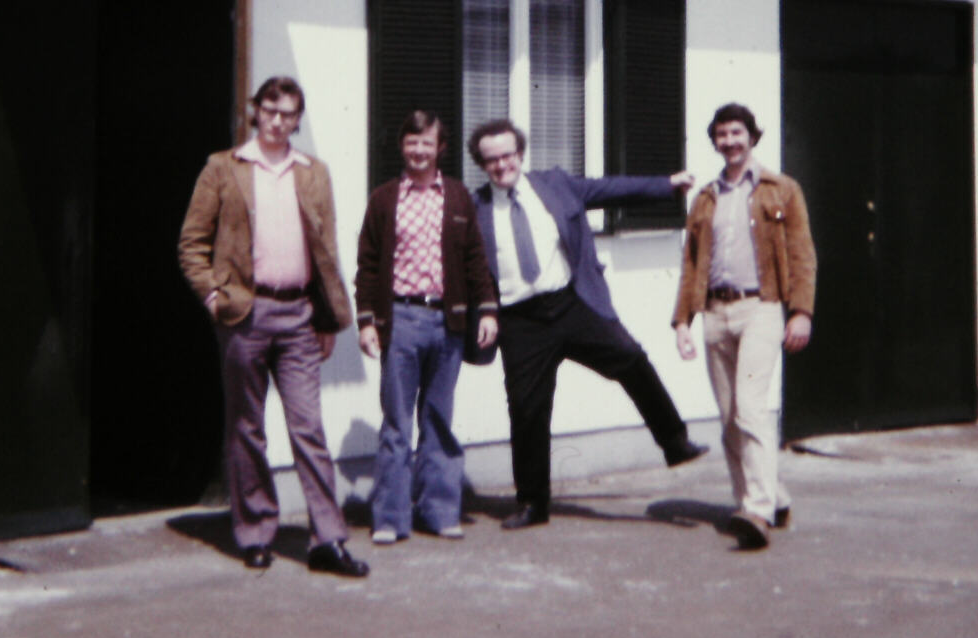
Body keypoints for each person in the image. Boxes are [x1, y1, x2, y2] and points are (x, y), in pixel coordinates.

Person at [468, 118, 707, 530]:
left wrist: (666, 185)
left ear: (520, 154)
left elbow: (609, 188)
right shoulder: (476, 208)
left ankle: (674, 442)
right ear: (482, 165)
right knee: (527, 411)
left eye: (507, 155)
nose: (501, 165)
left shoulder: (555, 184)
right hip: (520, 322)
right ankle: (532, 504)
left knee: (630, 358)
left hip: (571, 305)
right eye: (491, 160)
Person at [177, 75, 369, 577]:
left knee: (308, 428)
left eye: (288, 113)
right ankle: (256, 531)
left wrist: (327, 317)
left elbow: (325, 252)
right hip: (246, 315)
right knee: (247, 428)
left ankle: (327, 539)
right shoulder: (224, 167)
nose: (278, 121)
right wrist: (214, 296)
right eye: (270, 110)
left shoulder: (313, 172)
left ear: (298, 119)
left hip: (301, 316)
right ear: (255, 111)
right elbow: (191, 244)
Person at [672, 103, 817, 552]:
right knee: (731, 418)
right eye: (721, 134)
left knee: (751, 408)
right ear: (714, 141)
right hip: (716, 313)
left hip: (762, 309)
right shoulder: (706, 197)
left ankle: (756, 510)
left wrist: (802, 312)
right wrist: (682, 320)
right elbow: (691, 262)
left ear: (753, 137)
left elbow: (802, 255)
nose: (729, 141)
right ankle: (772, 498)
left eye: (737, 133)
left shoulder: (781, 189)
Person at [355, 111, 499, 544]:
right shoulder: (384, 199)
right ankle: (390, 518)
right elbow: (368, 264)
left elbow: (475, 257)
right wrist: (367, 322)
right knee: (397, 423)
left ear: (440, 148)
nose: (418, 150)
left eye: (427, 143)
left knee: (438, 420)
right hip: (399, 321)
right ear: (403, 146)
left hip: (448, 321)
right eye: (411, 142)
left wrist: (488, 310)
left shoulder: (456, 197)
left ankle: (438, 511)